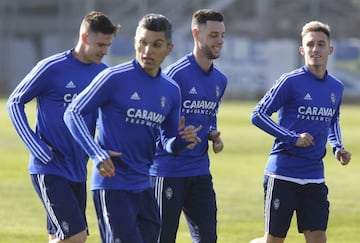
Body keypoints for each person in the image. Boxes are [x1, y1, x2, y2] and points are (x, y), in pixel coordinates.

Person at [64, 13, 201, 243]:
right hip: (113, 184)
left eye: (156, 45)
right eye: (142, 43)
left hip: (144, 186)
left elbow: (167, 142)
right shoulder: (113, 77)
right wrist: (96, 153)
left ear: (169, 48)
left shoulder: (171, 90)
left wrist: (182, 140)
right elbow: (73, 113)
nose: (147, 51)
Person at [7, 11, 119, 243]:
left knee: (60, 238)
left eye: (108, 45)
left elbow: (106, 119)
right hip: (49, 168)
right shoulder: (52, 67)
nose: (104, 51)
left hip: (78, 170)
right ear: (84, 37)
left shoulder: (103, 75)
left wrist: (103, 150)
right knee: (76, 237)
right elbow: (15, 102)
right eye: (100, 44)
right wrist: (36, 146)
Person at [250, 20, 351, 243]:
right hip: (283, 172)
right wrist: (292, 138)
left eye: (321, 44)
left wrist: (337, 147)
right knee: (274, 239)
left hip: (314, 176)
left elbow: (332, 119)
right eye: (311, 44)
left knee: (317, 238)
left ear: (330, 49)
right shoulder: (290, 81)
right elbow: (258, 115)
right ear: (302, 49)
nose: (316, 49)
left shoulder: (336, 87)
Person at [150, 9, 227, 243]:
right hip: (168, 172)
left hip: (200, 171)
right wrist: (176, 137)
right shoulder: (174, 75)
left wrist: (213, 133)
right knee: (162, 239)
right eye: (213, 35)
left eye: (222, 35)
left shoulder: (220, 80)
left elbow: (209, 115)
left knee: (208, 239)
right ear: (196, 34)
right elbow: (152, 121)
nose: (220, 41)